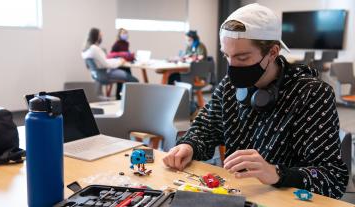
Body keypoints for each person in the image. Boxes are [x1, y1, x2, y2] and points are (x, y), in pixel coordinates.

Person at [163, 3, 348, 199]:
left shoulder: (311, 93)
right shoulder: (229, 86)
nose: (232, 67)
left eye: (242, 57)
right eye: (227, 56)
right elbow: (205, 129)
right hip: (239, 194)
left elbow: (333, 178)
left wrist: (276, 173)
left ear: (273, 52)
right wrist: (188, 146)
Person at [81, 28, 138, 100]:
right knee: (134, 80)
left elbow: (104, 62)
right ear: (96, 36)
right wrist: (120, 61)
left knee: (126, 75)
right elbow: (107, 64)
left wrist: (117, 60)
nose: (101, 37)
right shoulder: (94, 49)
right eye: (100, 35)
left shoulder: (85, 50)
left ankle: (121, 98)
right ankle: (129, 101)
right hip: (105, 74)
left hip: (98, 74)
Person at [108, 28, 135, 100]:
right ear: (119, 34)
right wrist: (121, 56)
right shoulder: (117, 44)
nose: (125, 35)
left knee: (130, 80)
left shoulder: (126, 43)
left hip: (126, 66)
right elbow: (111, 55)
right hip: (119, 66)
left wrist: (131, 56)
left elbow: (127, 55)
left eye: (126, 33)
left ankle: (128, 98)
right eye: (123, 33)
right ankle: (118, 98)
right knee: (120, 84)